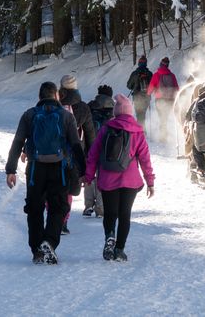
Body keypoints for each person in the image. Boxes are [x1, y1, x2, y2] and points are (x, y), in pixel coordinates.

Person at [5, 81, 83, 265]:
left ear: (39, 97)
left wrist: (11, 169)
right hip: (59, 168)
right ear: (56, 96)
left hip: (35, 169)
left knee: (34, 209)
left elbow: (17, 142)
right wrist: (84, 171)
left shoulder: (29, 115)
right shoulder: (65, 116)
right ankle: (49, 242)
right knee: (58, 207)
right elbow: (75, 145)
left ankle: (37, 250)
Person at [84, 94, 155, 262]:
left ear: (116, 112)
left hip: (108, 178)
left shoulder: (106, 128)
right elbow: (145, 158)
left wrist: (88, 176)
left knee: (110, 213)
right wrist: (150, 181)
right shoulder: (137, 131)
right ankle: (119, 249)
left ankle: (110, 236)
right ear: (130, 112)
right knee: (125, 215)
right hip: (130, 180)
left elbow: (93, 154)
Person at [57, 75, 94, 234]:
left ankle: (55, 219)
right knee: (68, 189)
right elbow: (90, 135)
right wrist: (90, 159)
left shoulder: (54, 105)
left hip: (53, 153)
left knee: (53, 187)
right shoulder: (84, 108)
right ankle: (63, 221)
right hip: (74, 154)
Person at [84, 84, 116, 217]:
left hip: (90, 146)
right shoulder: (114, 109)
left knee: (89, 176)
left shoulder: (90, 106)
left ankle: (88, 205)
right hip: (107, 148)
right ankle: (100, 208)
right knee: (103, 176)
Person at [147, 56, 180, 145]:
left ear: (161, 64)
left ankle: (163, 137)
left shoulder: (156, 75)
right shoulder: (172, 75)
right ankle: (165, 135)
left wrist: (148, 94)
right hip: (170, 100)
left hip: (160, 100)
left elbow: (150, 88)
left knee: (162, 118)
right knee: (166, 118)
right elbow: (177, 88)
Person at [126, 56, 152, 124]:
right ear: (146, 63)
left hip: (137, 97)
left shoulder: (134, 73)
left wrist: (134, 86)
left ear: (139, 63)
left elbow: (128, 85)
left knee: (139, 116)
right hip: (147, 97)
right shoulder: (149, 73)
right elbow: (153, 86)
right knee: (143, 115)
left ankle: (141, 131)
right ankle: (142, 131)